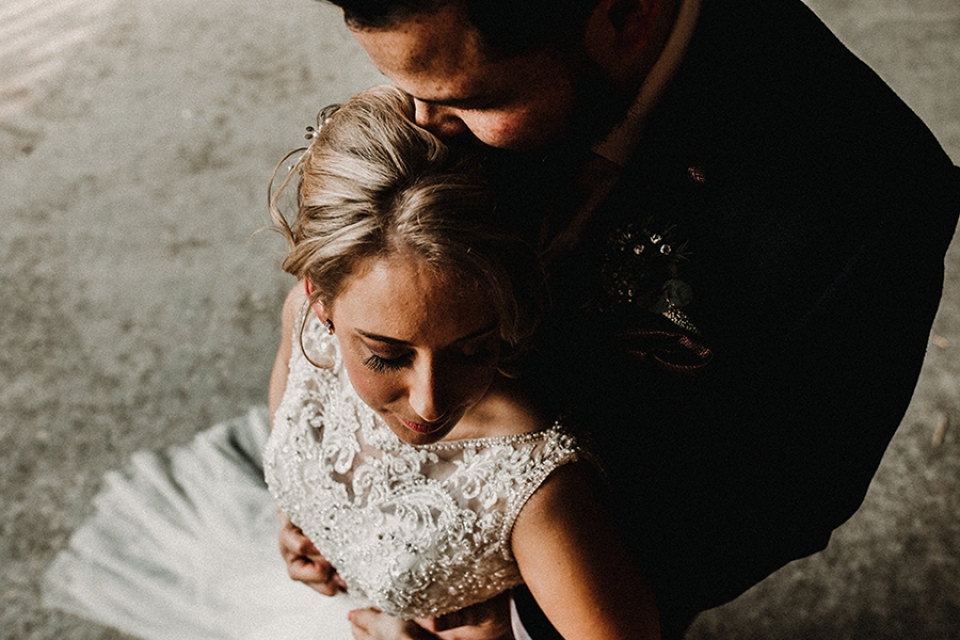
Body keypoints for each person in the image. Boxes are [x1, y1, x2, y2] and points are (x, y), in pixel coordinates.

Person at [278, 1, 960, 638]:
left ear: (630, 15)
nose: (423, 125)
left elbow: (784, 497)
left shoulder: (873, 199)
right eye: (405, 86)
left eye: (473, 99)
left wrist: (513, 602)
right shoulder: (445, 73)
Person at [264, 84, 662, 640]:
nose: (430, 401)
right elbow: (289, 415)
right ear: (320, 299)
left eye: (474, 349)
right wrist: (296, 518)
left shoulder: (537, 488)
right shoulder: (304, 317)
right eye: (385, 354)